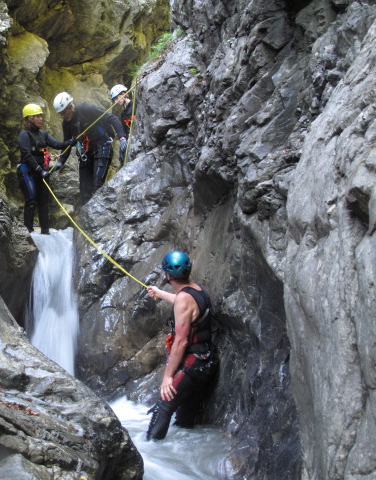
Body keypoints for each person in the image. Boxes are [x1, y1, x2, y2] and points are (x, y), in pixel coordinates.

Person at [145, 251, 218, 440]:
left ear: (168, 275)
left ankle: (152, 445)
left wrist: (167, 377)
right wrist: (160, 294)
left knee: (165, 402)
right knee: (186, 412)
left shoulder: (183, 300)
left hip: (194, 361)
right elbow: (184, 303)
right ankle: (185, 446)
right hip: (206, 358)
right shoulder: (197, 290)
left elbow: (181, 341)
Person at [53, 92, 127, 204]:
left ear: (70, 106)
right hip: (86, 152)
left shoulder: (85, 109)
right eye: (60, 114)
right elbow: (67, 143)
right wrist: (60, 162)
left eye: (63, 112)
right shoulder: (66, 123)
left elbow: (112, 118)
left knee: (97, 185)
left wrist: (122, 137)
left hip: (102, 146)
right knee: (84, 190)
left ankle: (100, 216)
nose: (63, 116)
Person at [17, 103, 75, 234]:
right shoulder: (24, 135)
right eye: (37, 116)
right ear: (29, 119)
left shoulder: (43, 134)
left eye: (41, 116)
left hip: (41, 172)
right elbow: (26, 154)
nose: (40, 119)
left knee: (44, 202)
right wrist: (39, 169)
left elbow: (56, 144)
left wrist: (69, 142)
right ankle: (29, 231)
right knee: (31, 199)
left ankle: (45, 231)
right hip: (27, 171)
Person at [109, 84, 134, 165]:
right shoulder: (123, 114)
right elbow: (125, 131)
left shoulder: (134, 104)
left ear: (123, 94)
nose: (116, 101)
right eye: (114, 100)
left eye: (117, 98)